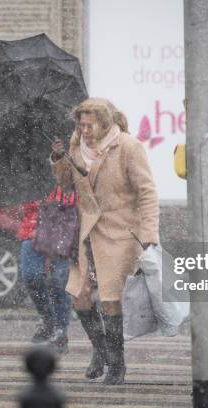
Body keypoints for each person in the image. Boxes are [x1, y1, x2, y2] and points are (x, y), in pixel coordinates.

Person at [51, 98, 159, 385]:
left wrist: (149, 234)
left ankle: (116, 364)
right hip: (85, 230)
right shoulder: (76, 147)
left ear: (105, 121)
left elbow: (147, 192)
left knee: (111, 299)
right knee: (79, 293)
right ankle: (100, 349)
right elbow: (65, 185)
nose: (85, 130)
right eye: (81, 125)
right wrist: (59, 160)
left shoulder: (127, 146)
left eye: (90, 124)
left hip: (119, 231)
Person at [18, 186, 73, 354]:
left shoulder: (68, 172)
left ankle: (60, 330)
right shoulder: (29, 177)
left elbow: (74, 204)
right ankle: (48, 318)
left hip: (63, 234)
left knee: (59, 281)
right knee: (30, 277)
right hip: (32, 234)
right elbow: (26, 209)